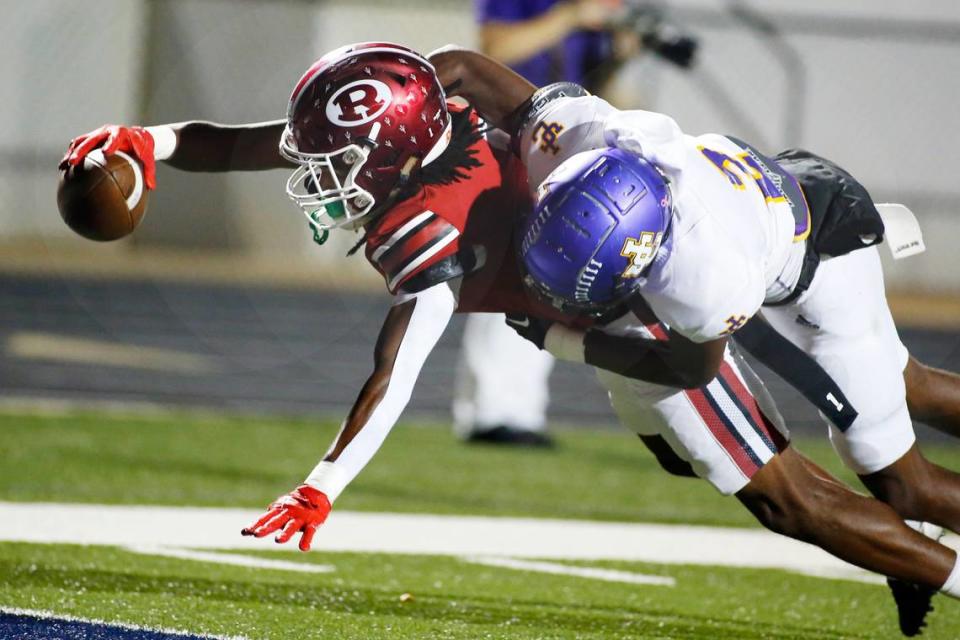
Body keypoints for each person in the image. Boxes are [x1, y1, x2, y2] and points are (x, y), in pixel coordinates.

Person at [61, 43, 960, 636]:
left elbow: (676, 355)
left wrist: (324, 483)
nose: (319, 180)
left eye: (339, 165)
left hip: (706, 278)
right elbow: (281, 142)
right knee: (870, 428)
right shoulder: (489, 99)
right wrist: (155, 140)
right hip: (697, 218)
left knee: (812, 485)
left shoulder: (465, 239)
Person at [454, 0, 637, 447]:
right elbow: (492, 48)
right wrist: (570, 18)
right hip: (502, 138)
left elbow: (603, 95)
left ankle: (515, 411)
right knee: (512, 271)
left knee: (547, 276)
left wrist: (620, 55)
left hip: (559, 153)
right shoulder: (555, 9)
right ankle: (494, 412)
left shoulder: (590, 17)